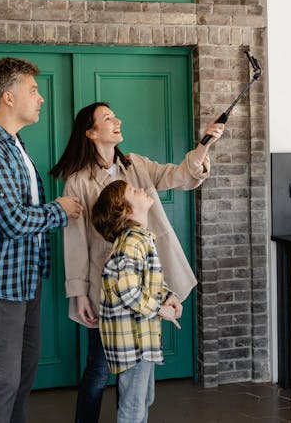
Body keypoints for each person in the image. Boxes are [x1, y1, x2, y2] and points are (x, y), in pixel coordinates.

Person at [50, 102, 224, 422]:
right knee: (99, 368)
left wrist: (204, 145)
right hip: (107, 287)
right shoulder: (78, 181)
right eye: (107, 118)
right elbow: (74, 239)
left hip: (146, 282)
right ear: (91, 133)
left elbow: (181, 175)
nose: (117, 120)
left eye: (115, 115)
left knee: (140, 369)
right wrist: (78, 291)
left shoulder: (137, 166)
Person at [0, 57, 83, 423]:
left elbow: (19, 211)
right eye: (33, 90)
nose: (40, 98)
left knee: (22, 376)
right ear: (8, 97)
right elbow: (12, 220)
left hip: (23, 280)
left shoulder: (13, 144)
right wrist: (59, 209)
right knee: (1, 380)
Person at [91, 180, 182, 423]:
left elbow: (146, 283)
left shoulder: (139, 239)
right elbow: (128, 291)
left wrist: (168, 295)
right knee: (133, 406)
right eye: (133, 191)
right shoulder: (131, 243)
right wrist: (161, 309)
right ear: (126, 211)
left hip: (142, 339)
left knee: (142, 400)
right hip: (133, 343)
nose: (140, 189)